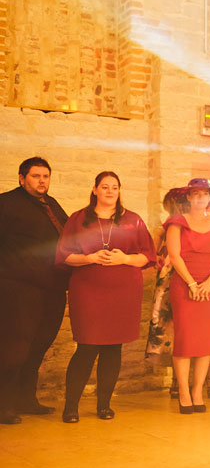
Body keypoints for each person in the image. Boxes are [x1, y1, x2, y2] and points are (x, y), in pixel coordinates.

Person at [56, 171, 156, 423]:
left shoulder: (132, 220)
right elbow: (64, 254)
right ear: (95, 190)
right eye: (105, 186)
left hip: (123, 292)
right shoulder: (79, 219)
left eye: (115, 187)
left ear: (119, 191)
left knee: (113, 348)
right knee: (87, 347)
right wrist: (89, 258)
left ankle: (104, 405)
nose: (110, 191)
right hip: (88, 290)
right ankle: (71, 407)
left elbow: (147, 255)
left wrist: (124, 259)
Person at [0, 157, 69, 425]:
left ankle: (25, 399)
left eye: (45, 176)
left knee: (39, 345)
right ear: (21, 178)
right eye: (36, 176)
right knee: (14, 347)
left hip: (51, 287)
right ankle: (3, 404)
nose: (42, 181)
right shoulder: (6, 203)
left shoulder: (51, 205)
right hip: (18, 288)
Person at [165, 178, 210, 414]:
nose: (201, 197)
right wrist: (192, 283)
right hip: (184, 286)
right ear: (189, 197)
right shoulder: (177, 223)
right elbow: (174, 256)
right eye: (196, 193)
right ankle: (183, 392)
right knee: (184, 340)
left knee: (206, 342)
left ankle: (197, 391)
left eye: (205, 194)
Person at [145, 190, 189, 398]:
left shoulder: (189, 226)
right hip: (169, 280)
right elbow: (152, 257)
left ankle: (179, 381)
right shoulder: (163, 229)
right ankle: (178, 381)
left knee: (182, 329)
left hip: (183, 276)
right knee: (174, 329)